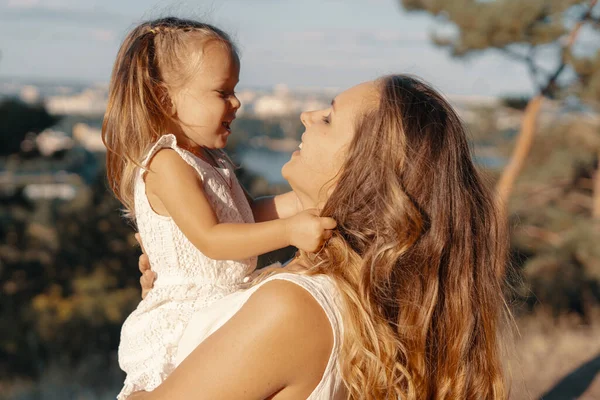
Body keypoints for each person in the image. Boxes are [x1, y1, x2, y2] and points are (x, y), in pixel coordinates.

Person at [132, 75, 511, 399]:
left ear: (363, 168)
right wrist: (174, 301)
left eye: (329, 119)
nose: (307, 115)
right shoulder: (351, 294)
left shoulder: (294, 305)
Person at [101, 17, 336, 399]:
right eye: (222, 92)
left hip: (225, 298)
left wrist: (298, 203)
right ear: (165, 99)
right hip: (192, 311)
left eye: (235, 90)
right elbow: (213, 238)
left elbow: (243, 217)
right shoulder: (167, 163)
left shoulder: (210, 159)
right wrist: (289, 232)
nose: (237, 102)